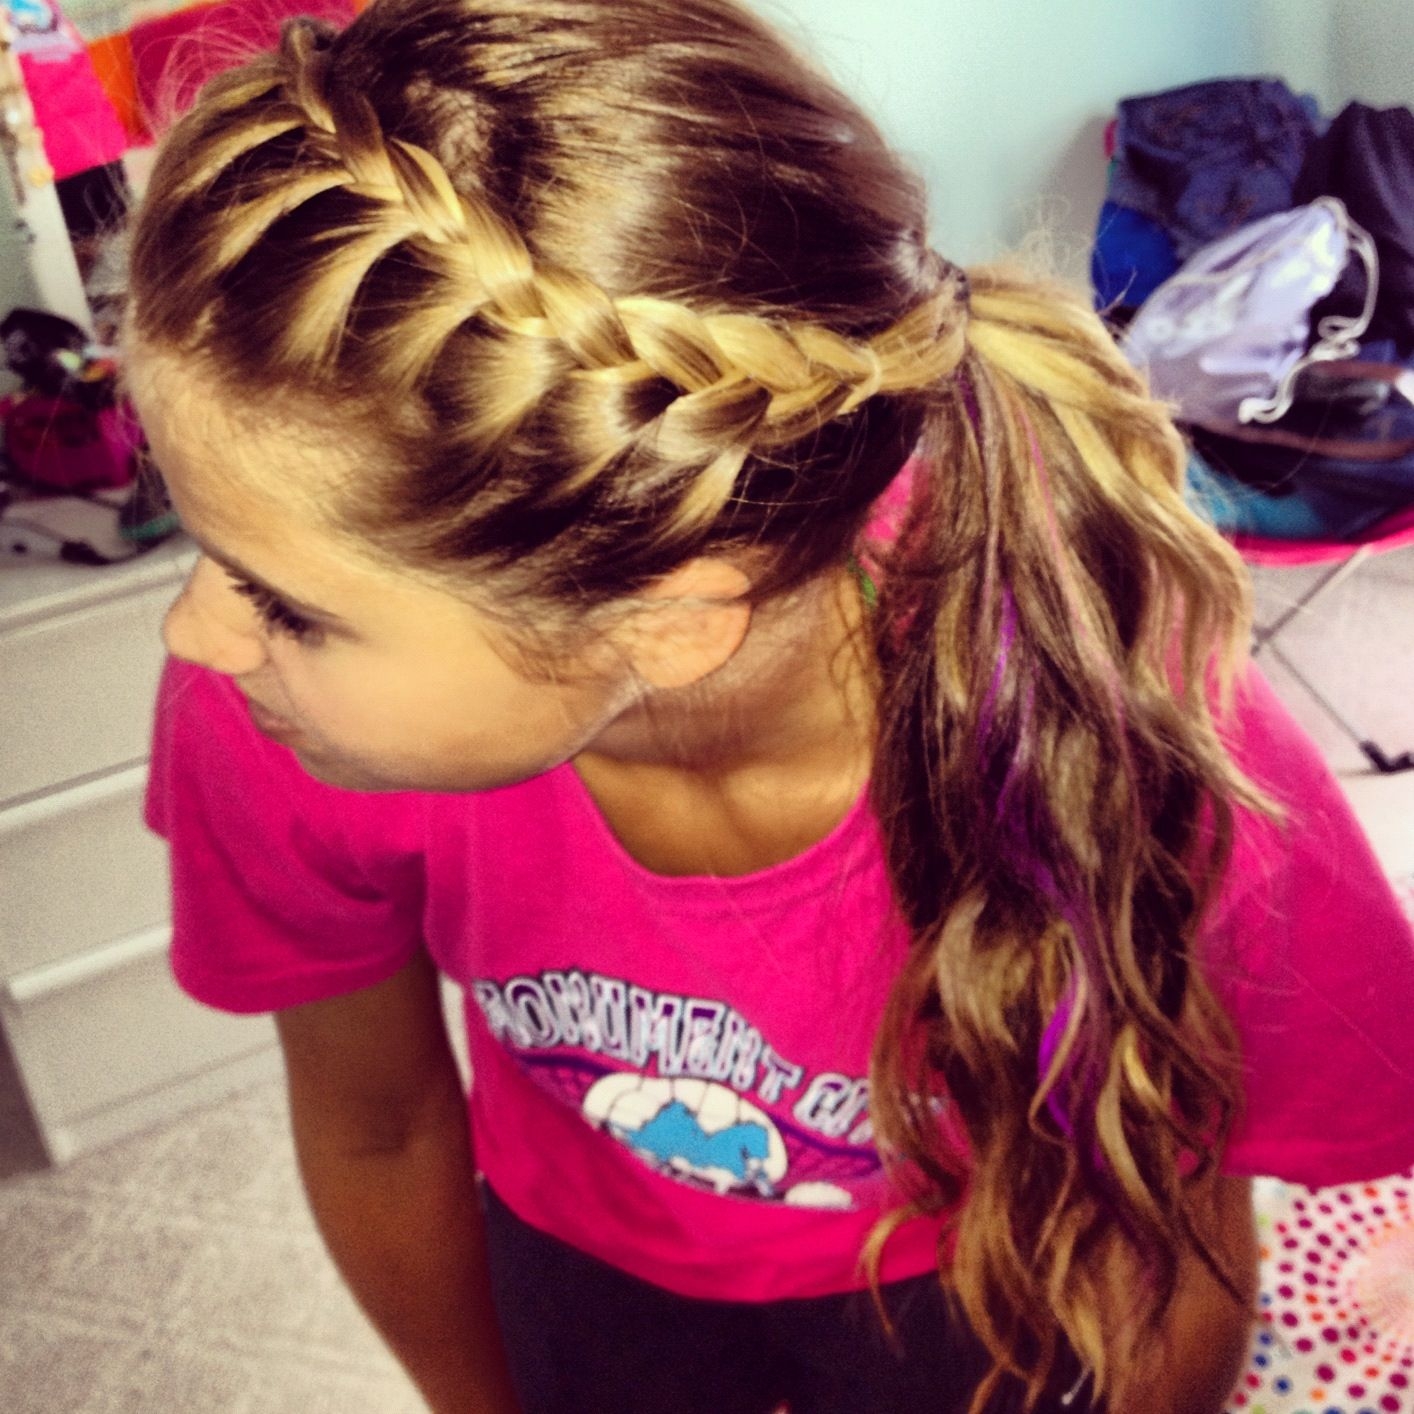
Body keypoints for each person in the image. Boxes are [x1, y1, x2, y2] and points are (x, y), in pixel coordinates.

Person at [123, 2, 1414, 1411]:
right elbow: (377, 1126)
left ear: (670, 621)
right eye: (208, 541)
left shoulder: (1134, 747)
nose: (198, 634)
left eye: (288, 602)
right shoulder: (269, 714)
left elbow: (1177, 1210)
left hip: (990, 1277)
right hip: (578, 1258)